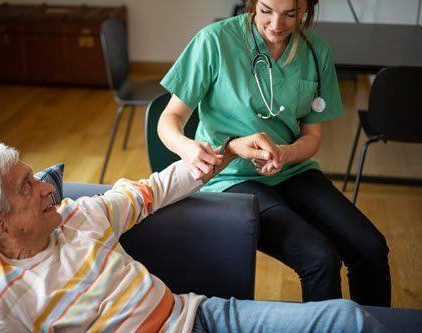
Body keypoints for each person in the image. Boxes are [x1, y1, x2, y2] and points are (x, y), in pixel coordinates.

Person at [0, 142, 387, 332]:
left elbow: (155, 189)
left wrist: (224, 149)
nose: (46, 187)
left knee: (348, 319)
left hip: (205, 317)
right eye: (26, 188)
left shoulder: (79, 215)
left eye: (34, 177)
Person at [157, 0, 391, 306]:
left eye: (290, 14)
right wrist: (187, 147)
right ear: (252, 3)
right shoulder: (215, 41)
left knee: (370, 246)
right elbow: (168, 120)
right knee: (320, 258)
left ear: (306, 9)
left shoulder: (315, 50)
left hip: (292, 169)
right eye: (266, 10)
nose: (276, 24)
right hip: (230, 177)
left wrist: (285, 152)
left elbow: (312, 138)